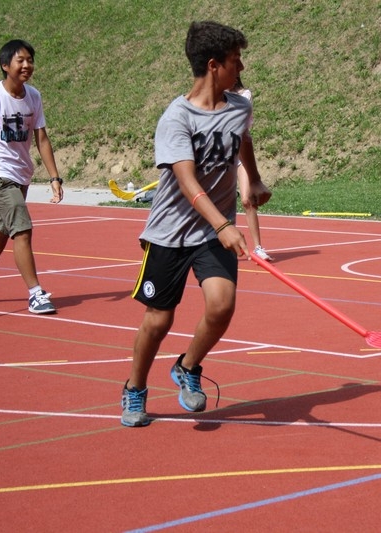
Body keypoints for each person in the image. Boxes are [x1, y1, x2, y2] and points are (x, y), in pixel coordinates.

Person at [121, 21, 272, 427]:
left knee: (222, 305)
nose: (241, 69)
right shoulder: (176, 118)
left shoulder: (239, 106)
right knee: (159, 320)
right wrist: (225, 226)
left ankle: (188, 366)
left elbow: (243, 140)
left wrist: (253, 178)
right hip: (170, 231)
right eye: (235, 62)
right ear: (213, 65)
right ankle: (135, 389)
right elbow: (187, 182)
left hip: (210, 230)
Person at [0, 39, 63, 314]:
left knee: (3, 229)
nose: (27, 65)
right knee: (22, 228)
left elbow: (41, 137)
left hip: (22, 174)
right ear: (5, 65)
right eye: (20, 60)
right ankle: (35, 293)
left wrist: (55, 177)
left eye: (30, 60)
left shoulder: (34, 96)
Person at [233, 76, 273, 261]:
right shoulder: (218, 95)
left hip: (239, 154)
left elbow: (241, 127)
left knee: (247, 200)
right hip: (222, 154)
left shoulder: (244, 95)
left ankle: (257, 247)